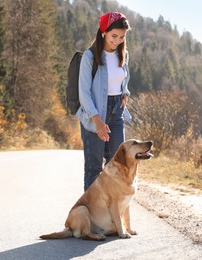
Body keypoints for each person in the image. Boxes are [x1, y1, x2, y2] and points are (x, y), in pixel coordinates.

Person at [76, 12, 131, 191]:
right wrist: (97, 120)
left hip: (116, 112)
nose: (117, 41)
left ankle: (109, 213)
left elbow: (123, 80)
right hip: (95, 112)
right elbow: (83, 93)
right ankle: (92, 214)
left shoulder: (123, 54)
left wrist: (125, 93)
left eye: (122, 37)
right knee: (94, 168)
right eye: (114, 36)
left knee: (116, 165)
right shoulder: (90, 57)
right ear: (103, 32)